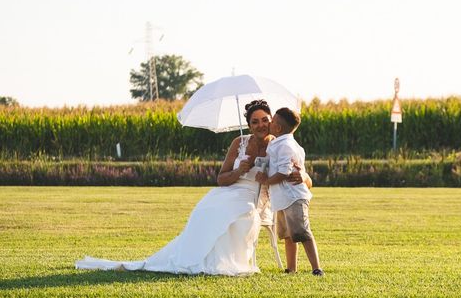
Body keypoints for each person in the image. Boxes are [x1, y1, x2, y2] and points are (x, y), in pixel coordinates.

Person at [75, 100, 307, 276]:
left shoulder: (281, 145)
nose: (260, 125)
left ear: (273, 121)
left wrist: (300, 175)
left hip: (255, 199)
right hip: (229, 190)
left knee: (236, 214)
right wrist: (240, 170)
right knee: (207, 209)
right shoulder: (239, 143)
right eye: (254, 121)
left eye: (265, 120)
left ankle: (223, 261)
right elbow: (221, 178)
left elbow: (305, 180)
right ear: (248, 124)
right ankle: (191, 257)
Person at [256, 107, 323, 276]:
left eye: (272, 121)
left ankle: (316, 267)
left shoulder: (285, 145)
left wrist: (267, 181)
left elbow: (284, 172)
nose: (268, 123)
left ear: (278, 127)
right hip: (282, 198)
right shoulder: (277, 143)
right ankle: (291, 268)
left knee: (302, 232)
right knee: (288, 234)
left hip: (293, 197)